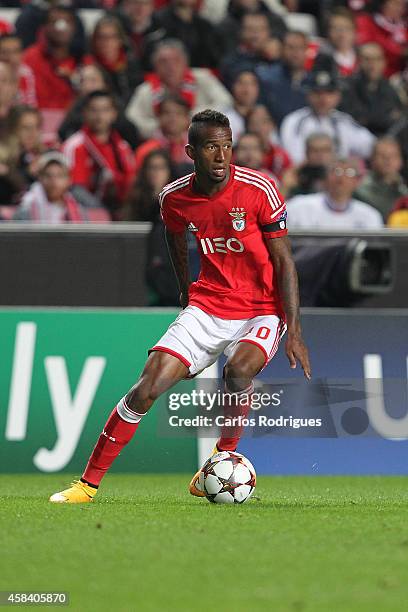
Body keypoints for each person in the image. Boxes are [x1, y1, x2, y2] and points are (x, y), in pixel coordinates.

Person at [49, 108, 311, 504]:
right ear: (191, 151)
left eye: (227, 147)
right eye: (211, 147)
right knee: (147, 387)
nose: (222, 157)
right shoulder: (174, 198)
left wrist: (294, 329)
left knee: (239, 371)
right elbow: (175, 240)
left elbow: (284, 261)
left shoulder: (259, 190)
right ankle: (85, 486)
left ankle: (221, 457)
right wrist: (186, 293)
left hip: (261, 308)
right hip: (208, 305)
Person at [126, 39, 232, 138]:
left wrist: (194, 118)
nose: (170, 66)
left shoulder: (203, 78)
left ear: (185, 62)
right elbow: (131, 118)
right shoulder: (146, 90)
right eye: (163, 62)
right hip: (161, 145)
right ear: (155, 66)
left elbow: (225, 101)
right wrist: (160, 126)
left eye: (176, 60)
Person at [63, 90, 135, 218]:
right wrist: (102, 214)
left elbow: (131, 183)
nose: (99, 116)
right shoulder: (74, 145)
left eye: (105, 110)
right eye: (94, 110)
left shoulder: (123, 147)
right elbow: (74, 189)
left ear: (114, 114)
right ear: (84, 113)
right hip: (87, 215)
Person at [280, 68, 376, 164]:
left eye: (329, 92)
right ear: (308, 95)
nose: (323, 98)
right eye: (317, 92)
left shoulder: (344, 120)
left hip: (339, 174)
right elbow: (294, 157)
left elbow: (371, 147)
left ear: (338, 96)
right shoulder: (294, 121)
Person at [22, 6, 92, 113]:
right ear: (44, 27)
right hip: (37, 120)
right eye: (54, 22)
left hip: (73, 123)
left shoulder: (85, 62)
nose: (61, 27)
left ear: (74, 27)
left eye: (67, 22)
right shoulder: (30, 58)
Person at [58, 64, 141, 149]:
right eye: (83, 81)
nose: (87, 86)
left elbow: (131, 135)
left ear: (104, 84)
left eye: (93, 80)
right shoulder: (75, 108)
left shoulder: (116, 105)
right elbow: (63, 133)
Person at [287, 157, 384, 229]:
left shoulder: (369, 215)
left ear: (357, 181)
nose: (341, 178)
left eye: (349, 172)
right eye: (336, 171)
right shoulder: (298, 206)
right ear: (326, 177)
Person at [339, 43, 402, 136]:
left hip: (385, 139)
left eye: (378, 59)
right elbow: (354, 119)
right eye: (367, 59)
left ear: (384, 62)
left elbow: (399, 118)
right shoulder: (347, 86)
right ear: (358, 62)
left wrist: (369, 117)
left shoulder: (389, 87)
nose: (373, 64)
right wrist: (385, 117)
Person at [13, 152, 87, 223]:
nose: (54, 181)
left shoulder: (78, 211)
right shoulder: (26, 209)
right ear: (40, 178)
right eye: (48, 175)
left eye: (60, 175)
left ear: (69, 180)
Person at [256, 30, 309, 126]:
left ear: (306, 50)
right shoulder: (267, 79)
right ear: (281, 50)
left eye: (300, 48)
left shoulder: (313, 82)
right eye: (290, 47)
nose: (295, 53)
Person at [133, 94, 193, 176]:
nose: (173, 118)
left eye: (179, 113)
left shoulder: (198, 149)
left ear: (187, 119)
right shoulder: (145, 151)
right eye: (167, 113)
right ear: (158, 117)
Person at [220, 12, 283, 89]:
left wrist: (276, 59)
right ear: (241, 32)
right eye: (250, 29)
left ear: (268, 32)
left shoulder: (280, 56)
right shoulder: (231, 61)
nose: (255, 34)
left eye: (260, 29)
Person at [152, 0, 222, 68]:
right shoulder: (157, 21)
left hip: (198, 73)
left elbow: (213, 58)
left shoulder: (205, 25)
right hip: (167, 73)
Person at [90, 16, 143, 105]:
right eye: (101, 37)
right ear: (94, 40)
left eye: (112, 37)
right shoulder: (90, 65)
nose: (106, 41)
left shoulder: (132, 64)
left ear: (120, 40)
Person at [354, 137, 408, 221]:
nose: (388, 160)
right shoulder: (359, 190)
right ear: (372, 160)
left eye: (393, 155)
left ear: (400, 161)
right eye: (382, 155)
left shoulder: (404, 190)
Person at [355, 0, 407, 77]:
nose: (400, 8)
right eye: (396, 4)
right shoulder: (366, 21)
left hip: (399, 76)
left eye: (403, 5)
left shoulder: (404, 28)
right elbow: (367, 46)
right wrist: (400, 51)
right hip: (371, 74)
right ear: (383, 3)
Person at [123, 148, 175, 221]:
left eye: (161, 168)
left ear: (169, 171)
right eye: (152, 167)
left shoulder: (176, 200)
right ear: (145, 171)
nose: (156, 172)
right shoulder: (136, 198)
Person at [280, 132, 336, 197]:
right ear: (306, 153)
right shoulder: (296, 175)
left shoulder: (340, 174)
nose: (320, 155)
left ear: (333, 152)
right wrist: (285, 187)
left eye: (325, 150)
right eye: (315, 150)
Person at [246, 104, 292, 180]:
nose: (258, 128)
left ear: (272, 125)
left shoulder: (281, 156)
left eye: (263, 122)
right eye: (253, 123)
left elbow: (289, 180)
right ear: (248, 126)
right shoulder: (238, 155)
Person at [221, 69, 260, 144]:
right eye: (242, 83)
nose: (247, 90)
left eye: (252, 84)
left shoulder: (264, 118)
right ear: (233, 86)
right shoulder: (223, 120)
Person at [0, 33, 37, 107]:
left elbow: (30, 106)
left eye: (16, 51)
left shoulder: (26, 73)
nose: (11, 57)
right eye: (5, 52)